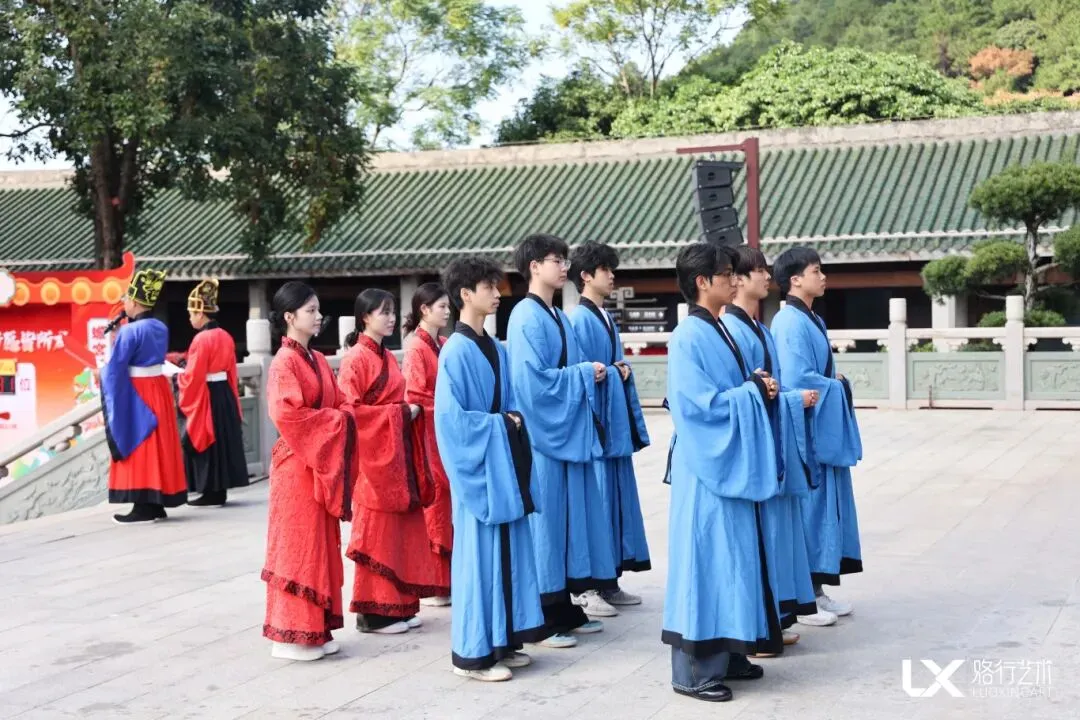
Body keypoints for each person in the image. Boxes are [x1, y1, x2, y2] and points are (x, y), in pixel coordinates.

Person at [663, 243, 783, 703]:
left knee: (733, 559)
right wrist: (751, 390)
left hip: (727, 463)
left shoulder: (719, 328)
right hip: (705, 465)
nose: (735, 281)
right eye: (727, 274)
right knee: (706, 562)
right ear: (702, 282)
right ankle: (694, 671)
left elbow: (729, 392)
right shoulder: (689, 336)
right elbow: (698, 408)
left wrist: (756, 388)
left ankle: (731, 652)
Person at [435, 258, 549, 682]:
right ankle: (473, 655)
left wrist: (509, 421)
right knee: (480, 560)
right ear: (465, 294)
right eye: (488, 287)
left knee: (511, 554)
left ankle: (505, 641)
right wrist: (502, 424)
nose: (497, 294)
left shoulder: (495, 347)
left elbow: (511, 403)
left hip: (502, 466)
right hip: (481, 472)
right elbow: (452, 422)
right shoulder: (456, 350)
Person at [507, 233, 616, 649]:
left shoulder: (557, 314)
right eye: (556, 260)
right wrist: (584, 374)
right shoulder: (525, 315)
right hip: (544, 438)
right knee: (547, 524)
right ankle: (542, 612)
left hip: (566, 433)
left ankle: (565, 603)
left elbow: (566, 368)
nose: (564, 267)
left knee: (570, 521)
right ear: (534, 266)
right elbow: (532, 383)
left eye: (565, 260)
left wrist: (586, 372)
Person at [719, 246, 830, 648]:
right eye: (758, 271)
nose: (767, 277)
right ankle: (759, 624)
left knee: (777, 532)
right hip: (754, 448)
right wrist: (790, 399)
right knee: (758, 537)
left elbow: (771, 388)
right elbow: (739, 394)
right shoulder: (731, 330)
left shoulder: (761, 328)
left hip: (774, 439)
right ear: (737, 280)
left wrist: (783, 398)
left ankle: (776, 616)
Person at [339, 289, 448, 636]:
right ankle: (373, 613)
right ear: (364, 318)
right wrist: (399, 414)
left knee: (398, 534)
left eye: (391, 312)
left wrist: (401, 415)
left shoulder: (386, 355)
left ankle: (399, 605)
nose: (390, 318)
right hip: (373, 459)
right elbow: (350, 411)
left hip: (395, 454)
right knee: (377, 535)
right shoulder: (355, 358)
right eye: (382, 312)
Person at [262, 282, 358, 661]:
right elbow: (287, 414)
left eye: (319, 310)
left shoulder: (316, 358)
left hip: (319, 463)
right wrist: (337, 420)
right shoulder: (283, 362)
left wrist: (342, 416)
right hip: (295, 467)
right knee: (298, 548)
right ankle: (290, 635)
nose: (319, 317)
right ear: (289, 317)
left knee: (319, 545)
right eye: (311, 311)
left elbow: (342, 401)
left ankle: (315, 628)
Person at [769, 247, 863, 620]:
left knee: (822, 508)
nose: (823, 277)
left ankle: (817, 589)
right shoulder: (788, 321)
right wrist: (833, 386)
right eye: (816, 271)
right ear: (795, 280)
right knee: (810, 509)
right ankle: (805, 594)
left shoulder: (810, 318)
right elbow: (797, 379)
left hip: (818, 426)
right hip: (805, 431)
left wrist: (833, 382)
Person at [567, 241, 651, 608]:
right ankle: (591, 584)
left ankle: (610, 579)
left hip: (612, 427)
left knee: (615, 504)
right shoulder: (580, 319)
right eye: (605, 269)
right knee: (599, 504)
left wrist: (618, 371)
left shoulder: (602, 315)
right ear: (586, 276)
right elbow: (584, 373)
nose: (612, 275)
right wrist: (614, 372)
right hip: (599, 428)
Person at [100, 267, 188, 524]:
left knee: (141, 444)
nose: (124, 303)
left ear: (136, 302)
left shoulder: (129, 332)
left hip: (138, 391)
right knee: (158, 443)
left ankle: (143, 505)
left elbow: (116, 366)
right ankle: (156, 502)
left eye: (127, 298)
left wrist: (102, 373)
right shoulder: (159, 326)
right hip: (158, 387)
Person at [402, 283, 453, 607]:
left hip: (445, 432)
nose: (447, 312)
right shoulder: (416, 348)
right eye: (441, 307)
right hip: (427, 434)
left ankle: (448, 577)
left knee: (448, 504)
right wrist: (448, 406)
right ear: (424, 310)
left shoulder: (444, 344)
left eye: (448, 306)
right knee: (435, 503)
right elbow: (415, 395)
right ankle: (435, 582)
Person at [178, 278, 249, 507]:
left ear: (200, 313)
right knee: (223, 442)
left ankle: (210, 492)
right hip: (224, 394)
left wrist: (179, 377)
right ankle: (220, 492)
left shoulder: (201, 339)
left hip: (207, 394)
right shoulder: (225, 335)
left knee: (209, 441)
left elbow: (194, 375)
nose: (190, 318)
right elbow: (231, 371)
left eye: (191, 313)